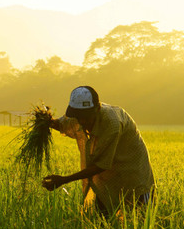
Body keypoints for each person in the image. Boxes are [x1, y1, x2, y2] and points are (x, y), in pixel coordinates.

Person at [42, 86, 154, 217]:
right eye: (79, 117)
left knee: (140, 218)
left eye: (86, 117)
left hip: (132, 172)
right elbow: (62, 124)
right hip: (109, 177)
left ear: (98, 109)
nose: (82, 121)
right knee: (103, 217)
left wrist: (64, 180)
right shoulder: (80, 116)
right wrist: (45, 120)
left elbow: (101, 165)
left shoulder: (112, 124)